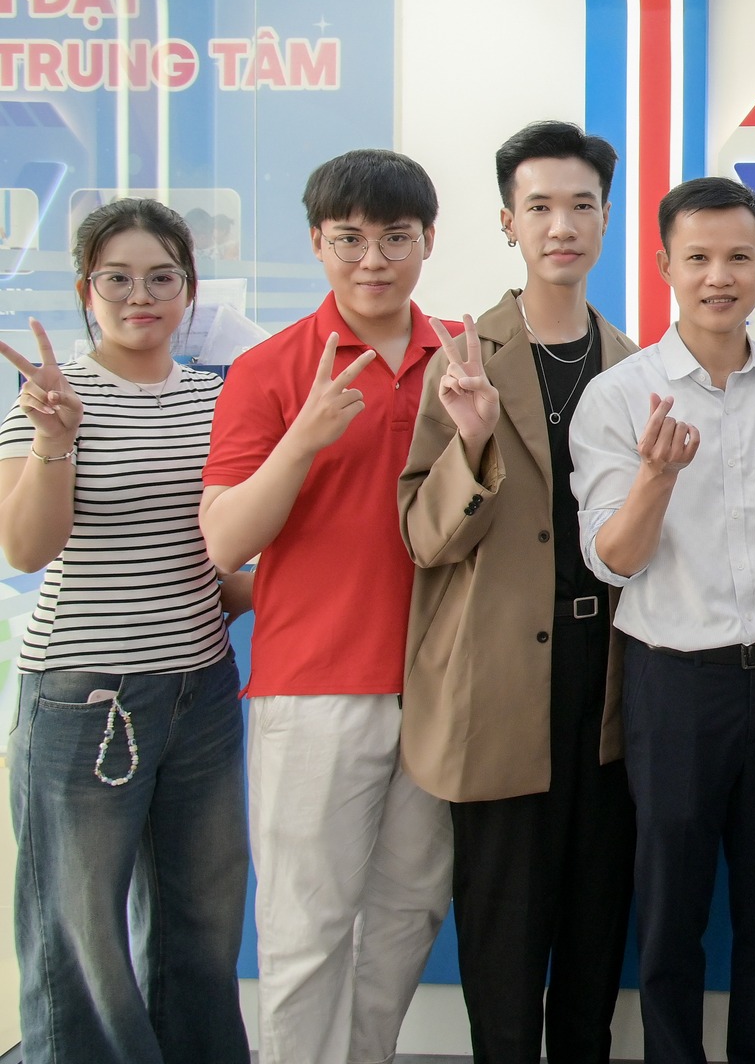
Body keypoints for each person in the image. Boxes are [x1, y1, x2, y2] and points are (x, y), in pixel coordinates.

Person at [569, 175, 755, 1064]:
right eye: (697, 258)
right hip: (673, 684)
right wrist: (656, 478)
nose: (718, 276)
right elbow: (612, 560)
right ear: (664, 266)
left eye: (737, 257)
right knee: (671, 913)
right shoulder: (620, 396)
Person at [199, 149, 454, 1064]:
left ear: (428, 240)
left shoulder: (467, 357)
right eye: (350, 239)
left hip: (440, 687)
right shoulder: (269, 369)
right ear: (317, 242)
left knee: (409, 913)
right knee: (306, 927)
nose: (373, 260)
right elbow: (225, 540)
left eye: (395, 238)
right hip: (313, 688)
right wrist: (302, 439)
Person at [396, 122, 638, 1063]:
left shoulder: (636, 366)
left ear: (607, 220)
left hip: (610, 679)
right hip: (498, 681)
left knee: (595, 924)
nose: (561, 226)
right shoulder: (464, 360)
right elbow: (424, 538)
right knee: (502, 930)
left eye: (581, 206)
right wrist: (471, 440)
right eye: (539, 207)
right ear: (508, 222)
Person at [0, 200, 252, 1064]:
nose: (140, 296)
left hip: (201, 692)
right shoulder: (49, 398)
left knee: (204, 924)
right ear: (86, 290)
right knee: (81, 938)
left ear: (189, 290)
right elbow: (26, 548)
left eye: (160, 277)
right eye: (117, 279)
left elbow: (214, 553)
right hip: (83, 697)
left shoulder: (218, 401)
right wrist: (55, 439)